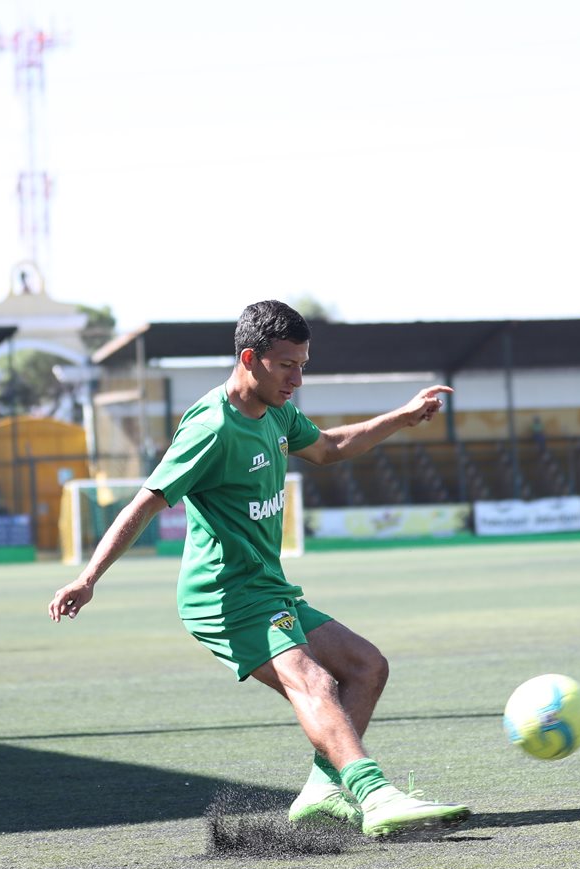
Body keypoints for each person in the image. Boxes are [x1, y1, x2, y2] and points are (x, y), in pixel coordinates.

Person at [48, 300, 471, 837]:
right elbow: (146, 502)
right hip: (223, 596)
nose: (297, 378)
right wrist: (88, 579)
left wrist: (403, 417)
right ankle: (376, 796)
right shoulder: (210, 427)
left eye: (303, 364)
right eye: (287, 365)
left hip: (267, 588)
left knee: (366, 666)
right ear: (250, 358)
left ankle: (321, 791)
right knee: (312, 679)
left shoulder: (276, 412)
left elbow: (331, 447)